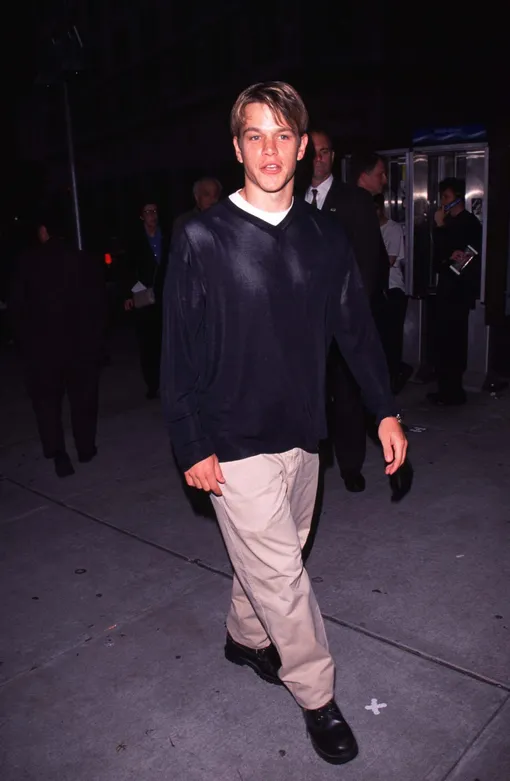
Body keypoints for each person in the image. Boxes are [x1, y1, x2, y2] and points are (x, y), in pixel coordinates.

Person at [161, 81, 407, 765]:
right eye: (254, 135)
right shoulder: (201, 237)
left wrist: (385, 407)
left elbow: (355, 329)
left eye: (282, 135)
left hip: (303, 433)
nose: (269, 149)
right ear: (238, 146)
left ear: (303, 148)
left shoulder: (325, 236)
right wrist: (191, 438)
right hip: (230, 438)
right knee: (283, 578)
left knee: (277, 558)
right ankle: (318, 697)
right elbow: (177, 350)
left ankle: (245, 637)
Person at [305, 134, 390, 492]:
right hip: (303, 327)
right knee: (310, 398)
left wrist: (354, 318)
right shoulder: (288, 201)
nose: (319, 159)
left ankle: (350, 465)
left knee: (348, 398)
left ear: (333, 157)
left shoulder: (353, 200)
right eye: (314, 153)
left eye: (325, 152)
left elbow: (371, 262)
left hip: (343, 323)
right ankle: (310, 467)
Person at [9, 212, 106, 477]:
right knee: (83, 399)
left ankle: (58, 452)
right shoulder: (82, 259)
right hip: (80, 345)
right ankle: (85, 448)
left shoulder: (26, 262)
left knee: (47, 403)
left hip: (42, 348)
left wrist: (24, 344)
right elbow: (98, 304)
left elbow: (17, 309)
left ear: (43, 232)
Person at [428, 178, 482, 405]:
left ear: (458, 198)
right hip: (446, 289)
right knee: (442, 340)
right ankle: (444, 388)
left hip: (458, 292)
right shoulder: (449, 223)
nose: (443, 202)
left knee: (454, 340)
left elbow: (462, 261)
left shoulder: (469, 223)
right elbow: (438, 258)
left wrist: (440, 229)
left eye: (447, 197)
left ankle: (453, 390)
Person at [124, 202, 169, 399]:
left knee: (166, 340)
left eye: (154, 211)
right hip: (143, 297)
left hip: (165, 295)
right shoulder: (134, 240)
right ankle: (152, 383)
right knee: (147, 342)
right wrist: (132, 292)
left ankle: (167, 380)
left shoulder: (167, 235)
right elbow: (125, 268)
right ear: (142, 216)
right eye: (148, 212)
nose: (152, 215)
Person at [374, 193, 413, 394]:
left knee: (392, 338)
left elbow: (388, 261)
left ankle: (396, 373)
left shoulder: (393, 229)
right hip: (377, 290)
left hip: (393, 289)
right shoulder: (368, 229)